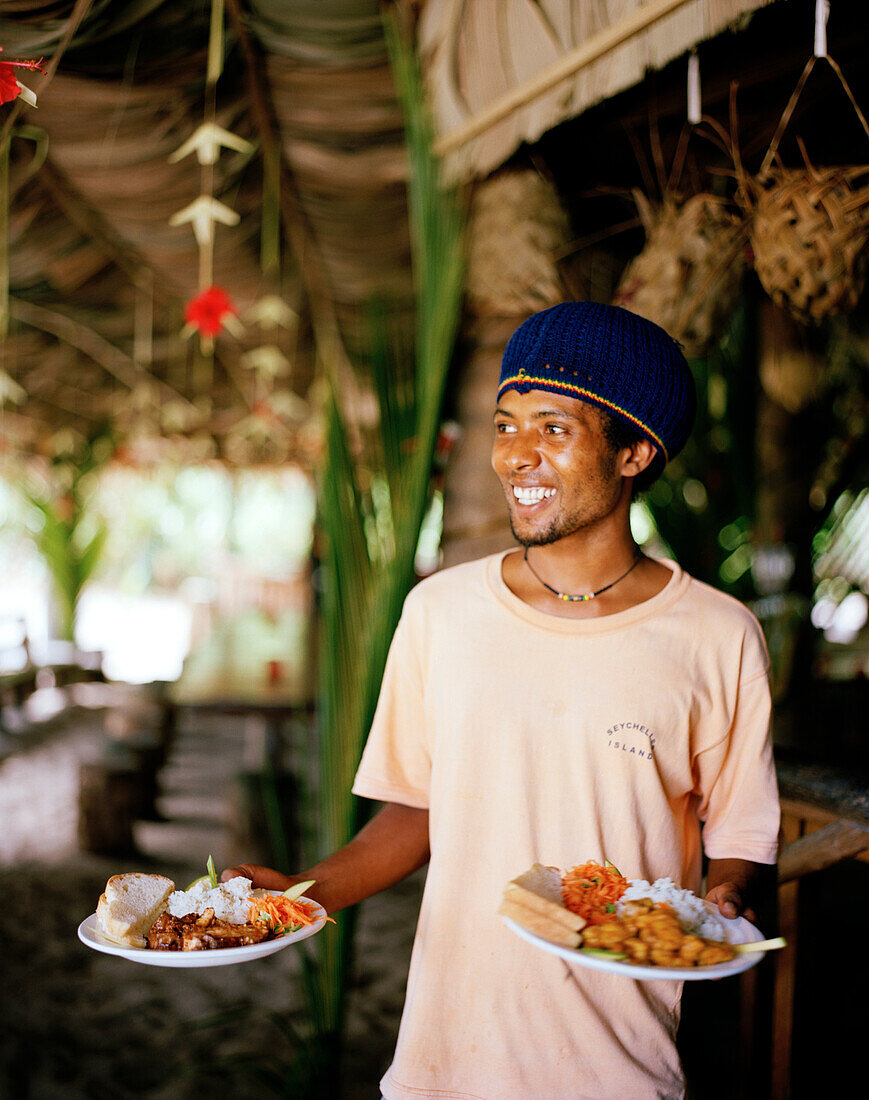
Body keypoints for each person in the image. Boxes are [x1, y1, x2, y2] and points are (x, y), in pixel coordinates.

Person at [224, 301, 780, 1100]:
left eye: (552, 429)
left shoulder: (714, 635)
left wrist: (724, 898)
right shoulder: (440, 613)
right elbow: (415, 810)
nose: (515, 455)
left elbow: (742, 833)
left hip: (618, 1068)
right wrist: (298, 897)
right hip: (442, 1065)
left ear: (634, 451)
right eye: (504, 424)